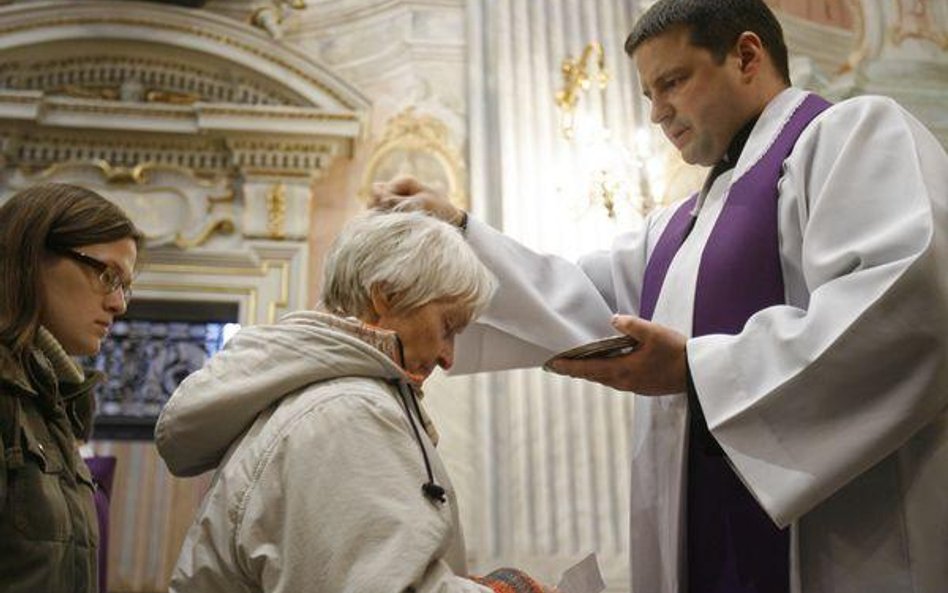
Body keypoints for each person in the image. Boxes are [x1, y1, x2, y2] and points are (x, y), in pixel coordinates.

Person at [371, 0, 948, 591]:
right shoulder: (677, 229)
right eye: (649, 94)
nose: (657, 113)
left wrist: (697, 371)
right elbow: (568, 299)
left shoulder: (852, 136)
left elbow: (904, 309)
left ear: (746, 56)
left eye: (672, 82)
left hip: (843, 546)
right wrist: (457, 231)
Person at [155, 211, 553, 593]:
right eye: (447, 327)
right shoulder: (345, 414)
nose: (448, 357)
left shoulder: (329, 400)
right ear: (386, 296)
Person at [0, 183, 143, 593]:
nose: (119, 303)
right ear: (31, 258)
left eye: (124, 285)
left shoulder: (50, 401)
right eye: (106, 275)